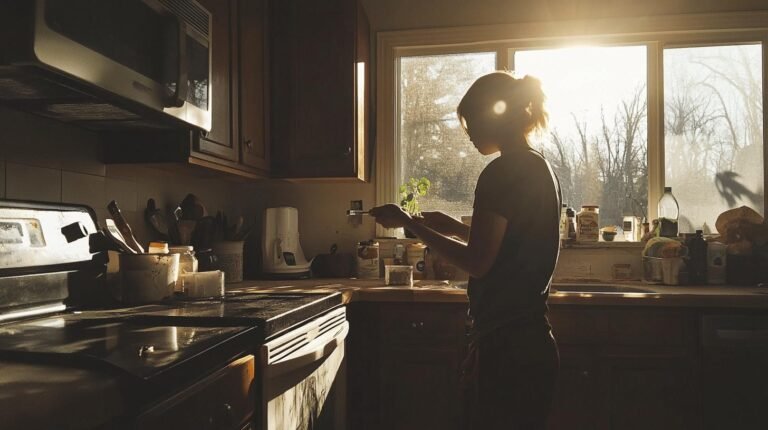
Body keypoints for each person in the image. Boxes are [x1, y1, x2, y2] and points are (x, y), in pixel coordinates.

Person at [369, 71, 561, 429]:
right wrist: (456, 227)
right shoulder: (540, 166)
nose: (469, 134)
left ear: (495, 117)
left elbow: (478, 261)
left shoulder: (500, 173)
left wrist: (409, 223)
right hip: (531, 341)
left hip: (508, 349)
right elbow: (515, 241)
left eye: (472, 123)